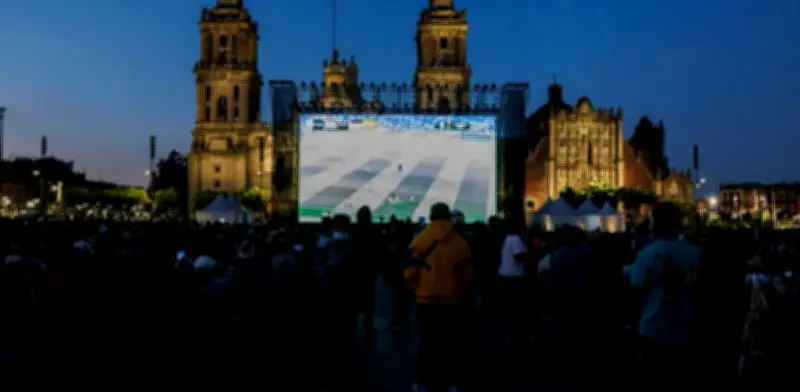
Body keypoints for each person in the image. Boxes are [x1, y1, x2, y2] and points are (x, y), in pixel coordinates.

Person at [625, 202, 700, 386]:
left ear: (654, 224)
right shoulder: (694, 253)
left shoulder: (646, 254)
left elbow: (636, 287)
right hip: (684, 325)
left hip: (653, 327)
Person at [405, 203, 473, 392]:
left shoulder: (418, 240)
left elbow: (409, 273)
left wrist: (418, 289)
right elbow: (467, 275)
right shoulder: (460, 243)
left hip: (425, 301)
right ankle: (452, 381)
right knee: (451, 344)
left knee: (427, 343)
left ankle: (421, 381)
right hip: (451, 301)